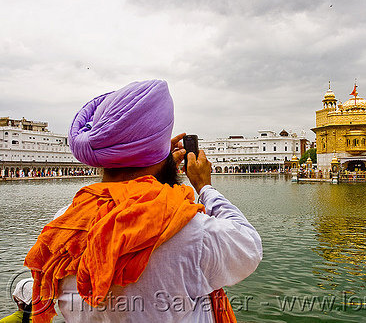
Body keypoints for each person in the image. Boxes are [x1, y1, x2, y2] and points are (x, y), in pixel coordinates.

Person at [24, 80, 262, 323]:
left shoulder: (63, 224)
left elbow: (138, 198)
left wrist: (158, 163)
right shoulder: (188, 231)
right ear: (155, 151)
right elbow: (249, 246)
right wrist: (205, 187)